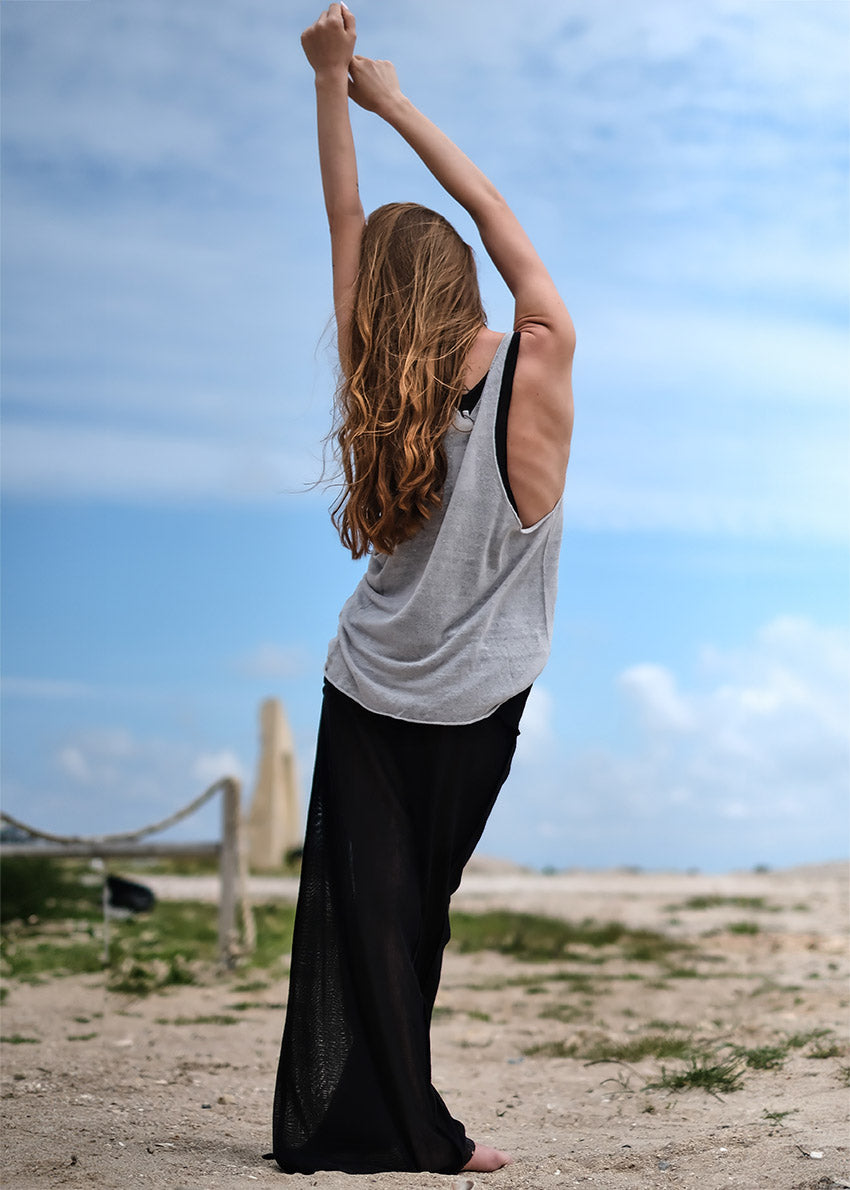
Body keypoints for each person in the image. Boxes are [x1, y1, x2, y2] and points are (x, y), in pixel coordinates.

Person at [270, 4, 575, 1176]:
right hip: (477, 697)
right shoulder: (533, 363)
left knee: (371, 917)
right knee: (415, 916)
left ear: (384, 301)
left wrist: (324, 82)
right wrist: (386, 98)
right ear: (461, 280)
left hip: (366, 680)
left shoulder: (370, 372)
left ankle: (376, 1120)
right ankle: (421, 1132)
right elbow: (513, 236)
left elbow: (343, 217)